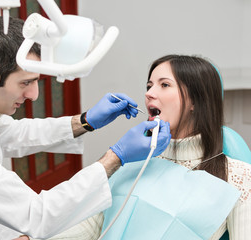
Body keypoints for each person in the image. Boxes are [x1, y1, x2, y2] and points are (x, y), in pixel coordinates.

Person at [0, 16, 171, 240]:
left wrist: (84, 121)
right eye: (26, 83)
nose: (34, 95)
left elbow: (10, 133)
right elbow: (37, 215)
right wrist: (116, 157)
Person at [35, 54, 251, 240]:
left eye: (164, 85)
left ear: (195, 100)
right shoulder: (131, 160)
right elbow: (91, 226)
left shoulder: (237, 177)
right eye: (149, 86)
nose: (149, 93)